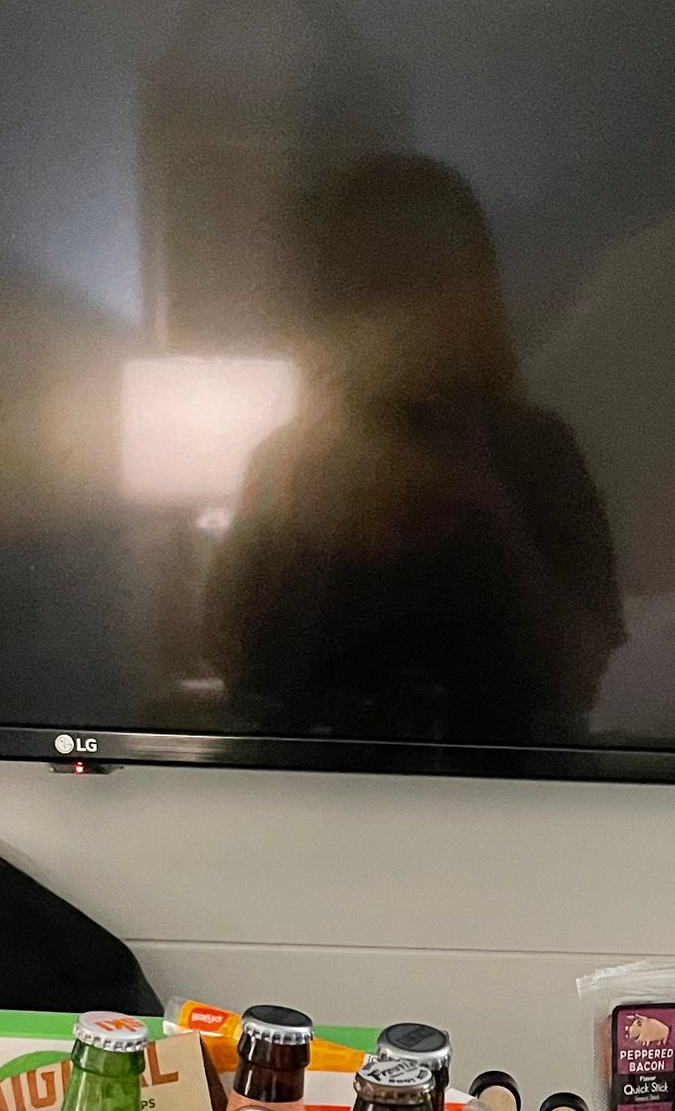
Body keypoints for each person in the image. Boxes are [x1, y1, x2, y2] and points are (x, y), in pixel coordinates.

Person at [205, 152, 622, 746]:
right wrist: (316, 522)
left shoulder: (536, 451)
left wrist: (490, 510)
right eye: (380, 285)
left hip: (504, 783)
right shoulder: (289, 463)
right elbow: (242, 669)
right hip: (321, 782)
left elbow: (581, 677)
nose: (409, 313)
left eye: (431, 280)